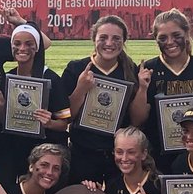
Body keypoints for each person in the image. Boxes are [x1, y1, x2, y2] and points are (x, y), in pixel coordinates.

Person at [62, 15, 152, 184]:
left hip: (118, 156)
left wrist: (142, 88)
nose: (109, 43)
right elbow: (68, 116)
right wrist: (81, 88)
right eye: (103, 38)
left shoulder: (131, 70)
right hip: (83, 153)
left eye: (116, 38)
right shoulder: (76, 68)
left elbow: (137, 120)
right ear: (93, 40)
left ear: (124, 41)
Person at [0, 24, 71, 188]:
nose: (22, 48)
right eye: (17, 44)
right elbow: (6, 123)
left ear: (37, 47)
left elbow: (63, 124)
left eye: (28, 44)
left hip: (44, 149)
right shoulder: (8, 77)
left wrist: (49, 123)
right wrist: (1, 105)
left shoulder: (51, 79)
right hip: (15, 147)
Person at [141, 8, 193, 173]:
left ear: (187, 34)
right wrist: (141, 88)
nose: (170, 42)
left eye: (176, 35)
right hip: (157, 157)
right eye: (163, 38)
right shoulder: (148, 71)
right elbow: (138, 119)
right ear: (155, 39)